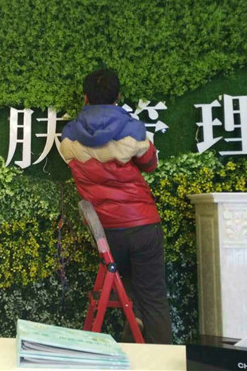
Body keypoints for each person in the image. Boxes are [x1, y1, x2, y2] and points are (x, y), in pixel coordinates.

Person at [60, 68, 172, 344]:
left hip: (107, 234)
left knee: (130, 293)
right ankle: (159, 358)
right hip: (143, 226)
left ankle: (135, 339)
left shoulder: (69, 137)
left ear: (85, 98)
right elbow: (150, 164)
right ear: (118, 96)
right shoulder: (132, 130)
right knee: (153, 298)